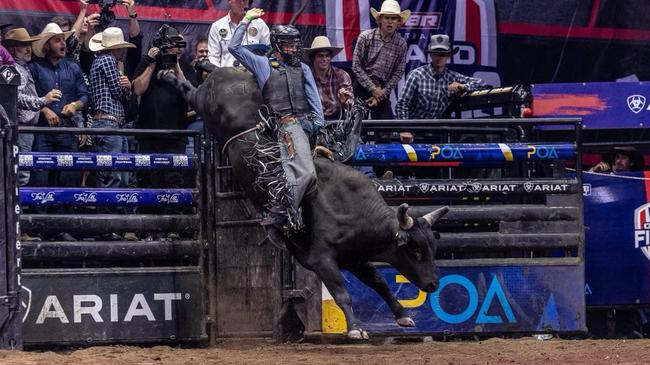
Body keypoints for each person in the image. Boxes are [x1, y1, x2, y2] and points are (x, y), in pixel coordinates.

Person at [228, 8, 324, 246]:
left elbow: (314, 100)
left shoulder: (303, 68)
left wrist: (319, 125)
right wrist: (247, 20)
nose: (293, 49)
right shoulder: (263, 65)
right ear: (278, 46)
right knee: (307, 174)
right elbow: (234, 48)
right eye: (289, 45)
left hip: (307, 126)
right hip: (286, 126)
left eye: (295, 44)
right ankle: (278, 215)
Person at [30, 22, 90, 241]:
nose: (62, 44)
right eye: (57, 40)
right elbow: (31, 95)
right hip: (44, 130)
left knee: (69, 177)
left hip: (66, 128)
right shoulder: (35, 68)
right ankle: (40, 227)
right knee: (41, 176)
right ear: (47, 45)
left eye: (63, 40)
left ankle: (66, 226)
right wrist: (45, 109)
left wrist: (74, 106)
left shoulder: (73, 67)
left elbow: (85, 95)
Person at [132, 25, 189, 240]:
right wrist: (151, 63)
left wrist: (176, 68)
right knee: (148, 182)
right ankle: (148, 229)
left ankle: (172, 227)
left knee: (173, 181)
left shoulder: (183, 67)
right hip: (149, 134)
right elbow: (137, 89)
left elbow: (190, 93)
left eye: (175, 46)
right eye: (169, 46)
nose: (172, 50)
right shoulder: (147, 63)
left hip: (175, 135)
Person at [395, 34, 486, 143]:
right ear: (431, 55)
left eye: (442, 54)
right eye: (435, 54)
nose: (439, 57)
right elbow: (402, 104)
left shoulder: (451, 76)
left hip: (435, 133)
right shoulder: (417, 75)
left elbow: (481, 83)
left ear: (448, 56)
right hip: (412, 132)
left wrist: (463, 86)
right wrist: (405, 130)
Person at [2, 28, 62, 187]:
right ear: (12, 49)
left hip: (25, 128)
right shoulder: (13, 69)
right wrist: (42, 100)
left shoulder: (22, 68)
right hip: (20, 128)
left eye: (29, 44)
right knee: (20, 173)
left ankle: (17, 209)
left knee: (22, 172)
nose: (29, 49)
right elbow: (16, 97)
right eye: (23, 45)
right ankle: (16, 210)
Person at [88, 27, 134, 189]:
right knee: (114, 176)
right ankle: (109, 212)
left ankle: (113, 211)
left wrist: (126, 88)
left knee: (119, 175)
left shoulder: (100, 61)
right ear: (117, 48)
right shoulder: (107, 60)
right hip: (108, 123)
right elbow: (117, 91)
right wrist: (126, 84)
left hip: (109, 123)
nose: (122, 51)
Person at [351, 0, 409, 119]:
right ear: (380, 20)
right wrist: (373, 89)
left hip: (383, 89)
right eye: (387, 17)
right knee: (356, 127)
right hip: (362, 86)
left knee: (384, 131)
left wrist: (381, 94)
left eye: (394, 18)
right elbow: (356, 65)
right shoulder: (365, 37)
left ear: (398, 22)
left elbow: (398, 72)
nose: (390, 21)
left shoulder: (401, 44)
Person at [208, 0, 270, 67]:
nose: (242, 3)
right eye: (238, 0)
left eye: (245, 0)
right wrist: (218, 74)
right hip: (227, 75)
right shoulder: (217, 26)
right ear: (230, 1)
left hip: (252, 75)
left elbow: (267, 53)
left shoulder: (259, 24)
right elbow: (213, 57)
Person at [304, 36, 353, 120]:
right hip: (315, 120)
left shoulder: (341, 75)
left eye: (327, 56)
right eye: (320, 56)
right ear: (313, 58)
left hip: (338, 120)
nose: (324, 59)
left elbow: (351, 101)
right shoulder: (307, 77)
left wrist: (344, 101)